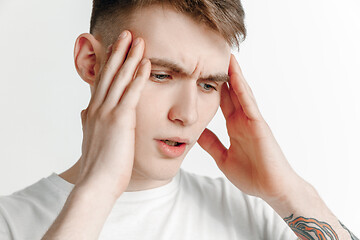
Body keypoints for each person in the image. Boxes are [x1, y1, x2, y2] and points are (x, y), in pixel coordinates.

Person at [0, 0, 358, 239]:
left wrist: (290, 193)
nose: (187, 115)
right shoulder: (10, 222)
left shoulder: (253, 213)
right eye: (161, 76)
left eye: (207, 84)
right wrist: (98, 190)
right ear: (91, 62)